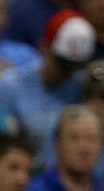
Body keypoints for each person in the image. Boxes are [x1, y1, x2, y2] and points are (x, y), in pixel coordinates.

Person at [0, 11, 96, 158]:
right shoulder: (11, 88)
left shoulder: (84, 86)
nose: (67, 73)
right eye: (63, 64)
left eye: (74, 66)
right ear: (44, 48)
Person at [22, 106, 104, 191]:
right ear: (58, 145)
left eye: (91, 139)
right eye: (74, 138)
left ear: (102, 146)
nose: (84, 147)